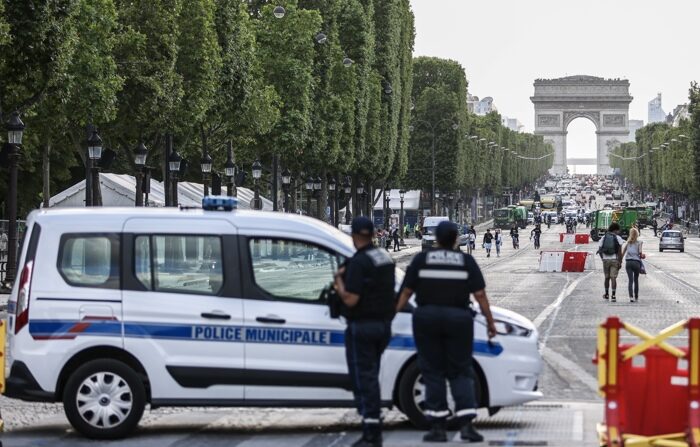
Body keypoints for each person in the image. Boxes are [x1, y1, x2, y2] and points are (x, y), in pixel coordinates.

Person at [396, 221, 497, 443]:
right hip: (458, 320)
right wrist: (490, 323)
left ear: (436, 239)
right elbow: (480, 295)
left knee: (432, 371)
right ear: (455, 240)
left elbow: (406, 291)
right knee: (461, 371)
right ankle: (467, 425)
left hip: (427, 319)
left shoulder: (422, 260)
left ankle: (438, 427)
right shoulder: (465, 261)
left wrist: (391, 316)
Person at [334, 217, 396, 447]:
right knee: (372, 374)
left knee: (365, 377)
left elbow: (351, 299)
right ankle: (371, 422)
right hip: (382, 325)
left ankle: (372, 430)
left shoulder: (359, 263)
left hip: (362, 324)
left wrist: (338, 282)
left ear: (354, 236)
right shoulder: (384, 258)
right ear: (372, 234)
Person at [597, 222, 625, 303]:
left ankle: (606, 294)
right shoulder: (618, 238)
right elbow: (620, 251)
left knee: (606, 277)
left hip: (605, 260)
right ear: (615, 230)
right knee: (613, 278)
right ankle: (613, 295)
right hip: (614, 260)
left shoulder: (604, 237)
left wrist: (602, 258)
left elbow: (600, 249)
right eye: (618, 230)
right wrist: (620, 261)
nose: (619, 231)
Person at [621, 227, 644, 303]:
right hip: (636, 262)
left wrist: (620, 261)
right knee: (636, 280)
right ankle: (636, 296)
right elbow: (640, 253)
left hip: (628, 262)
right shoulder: (639, 242)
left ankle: (631, 297)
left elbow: (623, 253)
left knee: (630, 280)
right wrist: (642, 255)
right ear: (637, 234)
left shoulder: (627, 243)